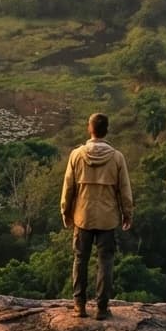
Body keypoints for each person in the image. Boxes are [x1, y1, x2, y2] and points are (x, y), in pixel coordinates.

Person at [60, 112, 133, 319]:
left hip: (82, 216)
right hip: (108, 218)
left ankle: (79, 305)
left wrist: (65, 211)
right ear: (106, 130)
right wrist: (127, 214)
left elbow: (68, 188)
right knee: (106, 262)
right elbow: (125, 191)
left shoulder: (76, 155)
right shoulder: (117, 157)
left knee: (80, 259)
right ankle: (102, 308)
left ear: (89, 128)